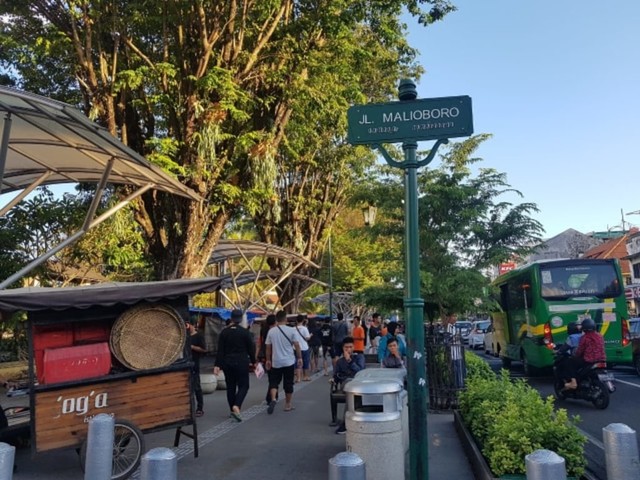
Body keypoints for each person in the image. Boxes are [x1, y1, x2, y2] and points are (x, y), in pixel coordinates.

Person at [214, 309, 256, 422]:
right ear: (241, 319)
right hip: (241, 362)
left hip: (227, 363)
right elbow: (251, 349)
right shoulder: (245, 332)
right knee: (244, 385)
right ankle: (237, 406)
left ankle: (232, 411)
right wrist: (254, 361)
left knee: (230, 386)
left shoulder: (224, 332)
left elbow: (220, 350)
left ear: (231, 318)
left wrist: (217, 365)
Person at [265, 310, 303, 414]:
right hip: (288, 361)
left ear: (276, 319)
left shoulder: (271, 331)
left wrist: (268, 360)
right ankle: (288, 404)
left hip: (276, 361)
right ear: (286, 319)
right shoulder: (291, 331)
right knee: (288, 383)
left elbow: (268, 347)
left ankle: (273, 399)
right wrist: (299, 358)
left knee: (274, 382)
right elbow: (297, 345)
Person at [331, 336, 365, 434]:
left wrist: (350, 361)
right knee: (350, 386)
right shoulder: (340, 361)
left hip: (358, 384)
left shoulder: (359, 357)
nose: (348, 349)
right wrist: (333, 379)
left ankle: (345, 424)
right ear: (343, 348)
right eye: (346, 348)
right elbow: (336, 375)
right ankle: (346, 424)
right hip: (346, 384)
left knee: (352, 395)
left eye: (350, 347)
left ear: (354, 347)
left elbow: (360, 371)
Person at [563, 318, 605, 390]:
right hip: (602, 359)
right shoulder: (600, 336)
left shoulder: (584, 338)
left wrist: (575, 356)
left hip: (589, 360)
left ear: (584, 328)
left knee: (569, 362)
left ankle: (573, 382)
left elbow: (580, 351)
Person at [186, 320, 207, 417]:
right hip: (186, 364)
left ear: (193, 325)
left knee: (196, 387)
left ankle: (199, 408)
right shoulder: (185, 336)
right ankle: (189, 409)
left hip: (195, 364)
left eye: (188, 324)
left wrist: (192, 347)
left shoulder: (198, 336)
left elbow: (204, 349)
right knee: (187, 387)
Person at [294, 314, 311, 382]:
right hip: (304, 347)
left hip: (295, 348)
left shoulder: (293, 328)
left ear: (296, 320)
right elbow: (307, 338)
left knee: (297, 362)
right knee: (305, 362)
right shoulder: (304, 328)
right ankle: (305, 376)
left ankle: (298, 378)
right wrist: (310, 336)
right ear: (303, 320)